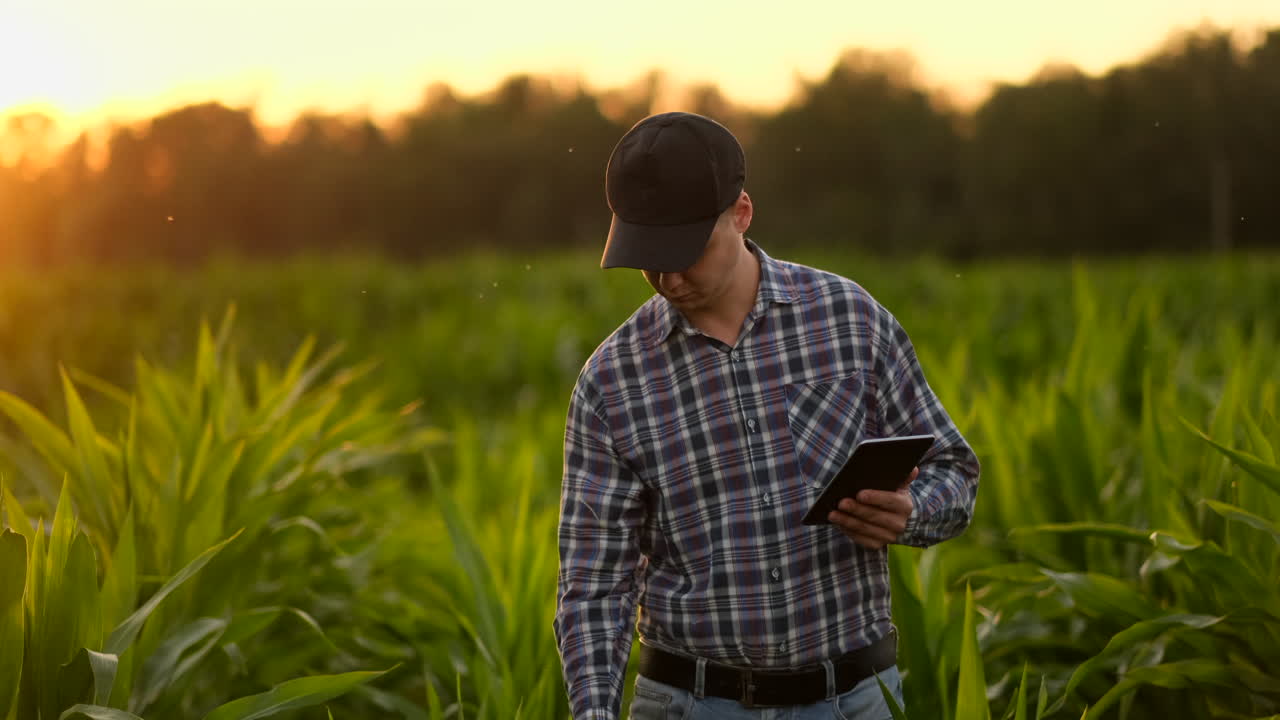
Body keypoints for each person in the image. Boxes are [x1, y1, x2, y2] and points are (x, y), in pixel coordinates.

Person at [554, 111, 980, 720]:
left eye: (685, 251)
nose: (669, 277)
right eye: (648, 256)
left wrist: (910, 513)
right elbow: (594, 585)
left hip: (853, 700)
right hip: (688, 704)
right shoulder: (610, 383)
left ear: (743, 213)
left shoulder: (849, 319)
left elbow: (955, 473)